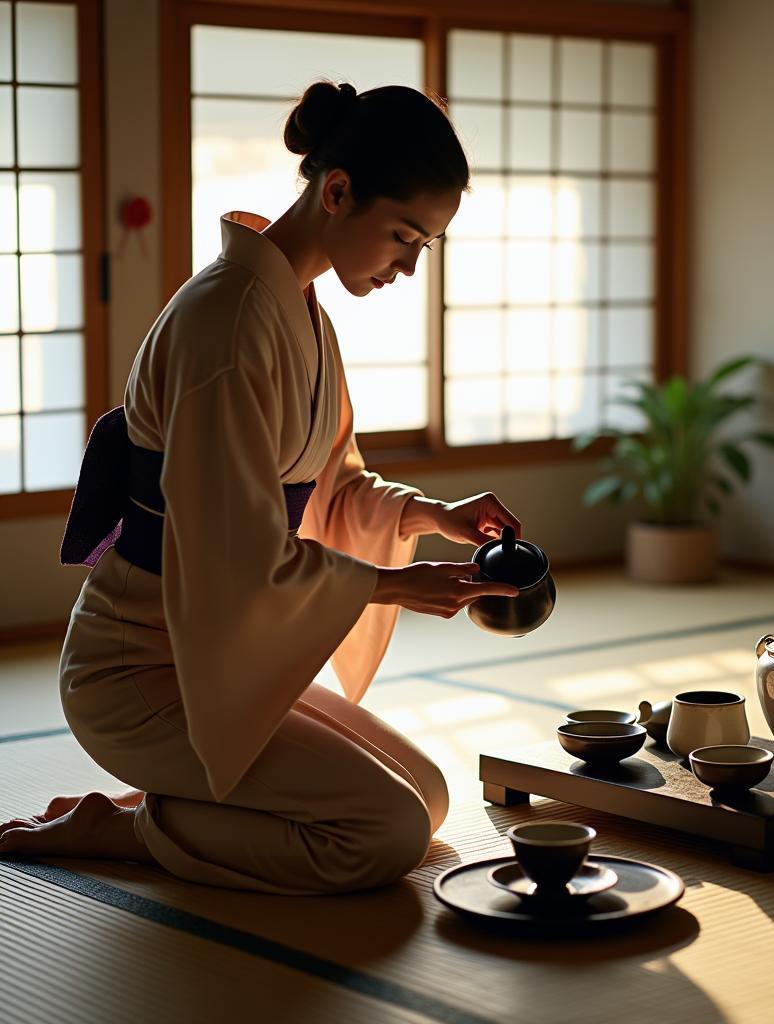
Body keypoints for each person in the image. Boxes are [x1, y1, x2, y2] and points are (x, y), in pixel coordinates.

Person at [0, 81, 521, 894]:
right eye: (404, 236)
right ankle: (129, 826)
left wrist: (429, 516)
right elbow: (238, 552)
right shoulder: (227, 323)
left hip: (221, 651)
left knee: (426, 795)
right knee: (378, 833)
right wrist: (390, 583)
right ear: (338, 190)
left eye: (426, 246)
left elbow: (332, 491)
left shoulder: (299, 312)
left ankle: (174, 804)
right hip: (142, 667)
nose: (408, 266)